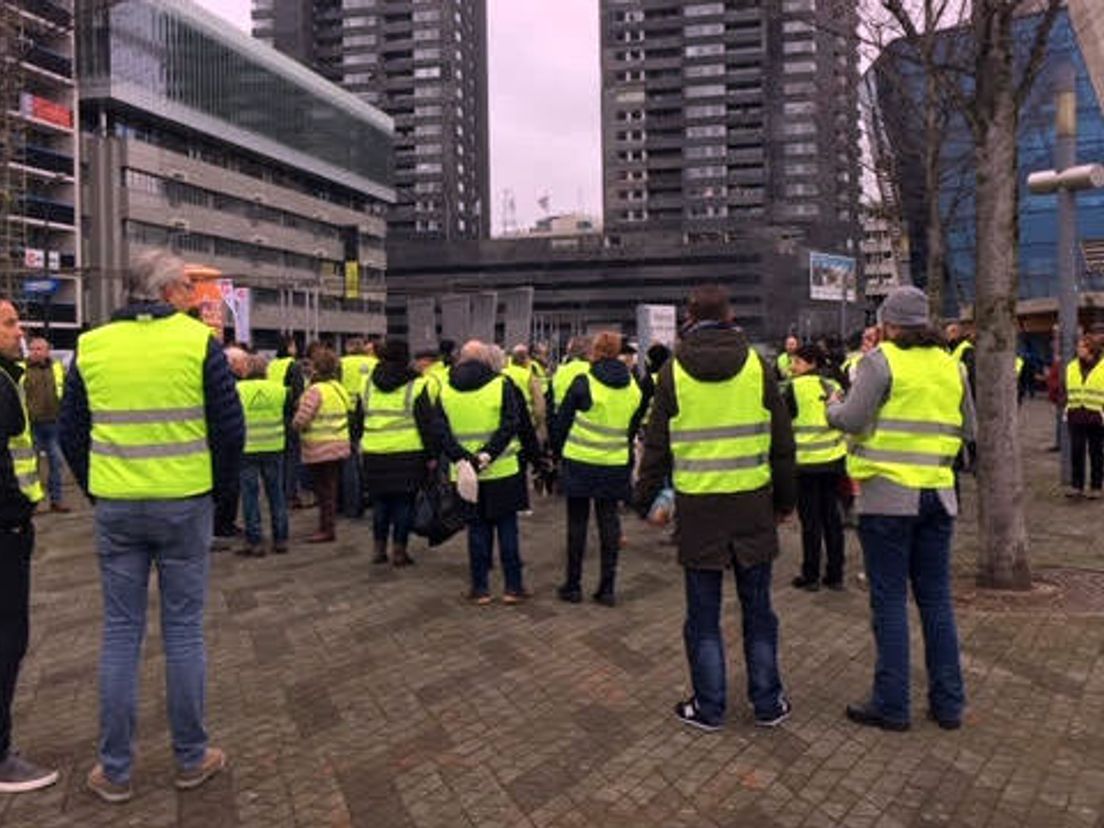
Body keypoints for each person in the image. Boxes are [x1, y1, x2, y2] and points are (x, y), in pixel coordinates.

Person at [58, 251, 243, 801]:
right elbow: (229, 431)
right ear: (165, 293)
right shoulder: (197, 344)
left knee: (120, 634)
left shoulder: (91, 346)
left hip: (116, 503)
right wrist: (219, 496)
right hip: (184, 502)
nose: (194, 294)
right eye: (188, 285)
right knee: (183, 632)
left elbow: (72, 432)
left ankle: (114, 770)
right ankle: (191, 758)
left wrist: (98, 488)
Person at [634, 284, 796, 731]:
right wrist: (786, 501)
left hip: (699, 509)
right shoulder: (759, 367)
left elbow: (656, 447)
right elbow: (783, 444)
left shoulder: (672, 373)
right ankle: (767, 702)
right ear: (729, 315)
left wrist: (645, 499)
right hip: (752, 505)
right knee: (758, 610)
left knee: (703, 616)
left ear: (689, 316)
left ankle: (709, 706)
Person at [827, 286, 973, 732]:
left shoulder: (880, 361)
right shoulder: (953, 367)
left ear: (889, 323)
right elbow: (968, 428)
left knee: (889, 601)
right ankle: (948, 704)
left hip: (887, 498)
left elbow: (852, 419)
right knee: (936, 601)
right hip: (937, 495)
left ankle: (892, 704)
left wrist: (832, 407)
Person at [0, 298, 58, 794]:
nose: (19, 332)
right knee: (7, 640)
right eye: (9, 323)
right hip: (4, 531)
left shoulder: (9, 378)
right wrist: (17, 513)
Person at [435, 340, 533, 605]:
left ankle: (480, 589)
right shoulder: (501, 385)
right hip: (502, 471)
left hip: (466, 475)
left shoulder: (445, 389)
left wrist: (462, 457)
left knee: (477, 530)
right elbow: (512, 423)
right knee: (507, 528)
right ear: (486, 360)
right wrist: (487, 454)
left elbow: (440, 431)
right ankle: (513, 587)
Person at [552, 331, 645, 607]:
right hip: (614, 464)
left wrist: (558, 453)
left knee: (577, 524)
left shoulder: (584, 382)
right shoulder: (633, 388)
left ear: (595, 351)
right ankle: (607, 589)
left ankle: (573, 585)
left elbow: (562, 423)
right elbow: (630, 430)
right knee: (609, 524)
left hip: (579, 462)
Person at [360, 339, 436, 566]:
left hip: (374, 451)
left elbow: (358, 417)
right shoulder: (417, 384)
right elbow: (426, 423)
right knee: (404, 503)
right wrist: (432, 455)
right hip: (407, 453)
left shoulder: (367, 383)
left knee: (380, 502)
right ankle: (399, 551)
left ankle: (378, 549)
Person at [784, 345, 846, 592]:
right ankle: (835, 574)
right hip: (834, 462)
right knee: (832, 518)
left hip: (806, 465)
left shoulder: (793, 388)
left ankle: (811, 576)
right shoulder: (835, 387)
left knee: (811, 523)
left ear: (810, 363)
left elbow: (782, 423)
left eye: (796, 362)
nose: (792, 367)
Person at [292, 347, 351, 543]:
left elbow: (302, 419)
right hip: (339, 445)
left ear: (317, 368)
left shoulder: (315, 391)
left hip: (319, 447)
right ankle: (329, 525)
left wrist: (295, 425)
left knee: (323, 490)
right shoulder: (338, 388)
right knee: (331, 488)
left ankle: (326, 528)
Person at [236, 354, 290, 556]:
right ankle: (281, 539)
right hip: (274, 447)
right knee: (276, 494)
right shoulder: (280, 390)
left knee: (250, 497)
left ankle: (255, 541)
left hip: (247, 449)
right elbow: (288, 414)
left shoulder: (238, 390)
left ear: (247, 369)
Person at [22, 336, 70, 513]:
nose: (35, 352)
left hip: (53, 424)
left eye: (39, 349)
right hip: (31, 425)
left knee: (56, 463)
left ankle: (56, 501)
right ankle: (30, 503)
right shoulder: (22, 369)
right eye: (33, 349)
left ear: (47, 350)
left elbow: (64, 391)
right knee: (30, 466)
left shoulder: (56, 368)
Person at [268, 334, 306, 507]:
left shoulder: (272, 365)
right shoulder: (294, 365)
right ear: (290, 347)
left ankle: (279, 492)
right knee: (293, 456)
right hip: (289, 415)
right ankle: (291, 494)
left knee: (279, 457)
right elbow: (299, 394)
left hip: (274, 415)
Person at [1064, 335, 1104, 499]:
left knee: (1096, 453)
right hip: (1076, 415)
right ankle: (1077, 486)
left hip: (1097, 415)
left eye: (1082, 346)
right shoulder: (1071, 366)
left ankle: (1096, 487)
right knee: (1076, 451)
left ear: (1091, 349)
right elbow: (1066, 388)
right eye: (1078, 346)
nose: (1078, 349)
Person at [551, 335, 592, 417]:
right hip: (577, 420)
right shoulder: (589, 369)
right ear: (587, 352)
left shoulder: (560, 369)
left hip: (558, 416)